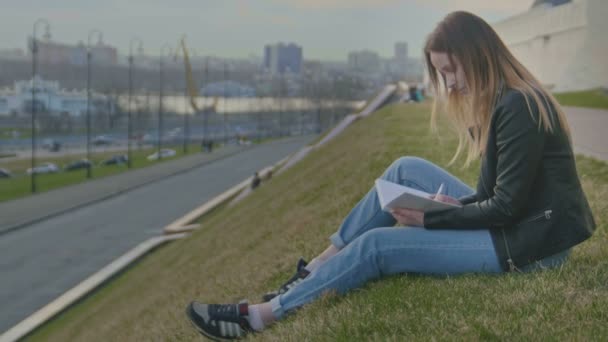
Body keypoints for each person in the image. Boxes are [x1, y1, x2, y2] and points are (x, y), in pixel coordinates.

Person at [186, 11, 596, 340]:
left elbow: (505, 207)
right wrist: (454, 207)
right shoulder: (508, 100)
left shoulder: (518, 107)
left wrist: (432, 217)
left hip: (532, 248)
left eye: (452, 70)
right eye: (442, 74)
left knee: (381, 245)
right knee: (405, 168)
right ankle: (311, 272)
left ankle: (259, 317)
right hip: (519, 226)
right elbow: (497, 196)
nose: (450, 84)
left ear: (479, 55)